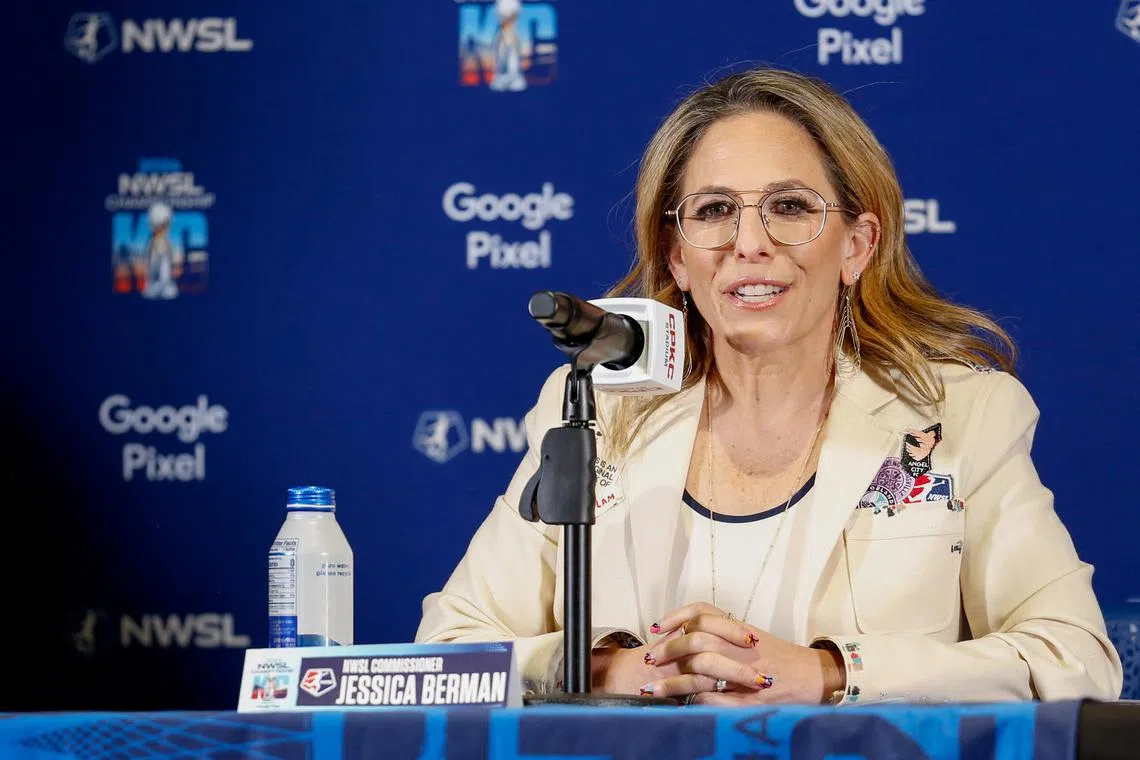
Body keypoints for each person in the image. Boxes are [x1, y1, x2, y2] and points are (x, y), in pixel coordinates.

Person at [415, 66, 1123, 705]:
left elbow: (1073, 660)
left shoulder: (961, 415)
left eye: (790, 206)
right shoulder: (594, 410)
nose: (749, 242)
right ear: (679, 257)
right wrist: (610, 671)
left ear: (857, 245)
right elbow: (445, 651)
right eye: (714, 210)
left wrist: (828, 674)